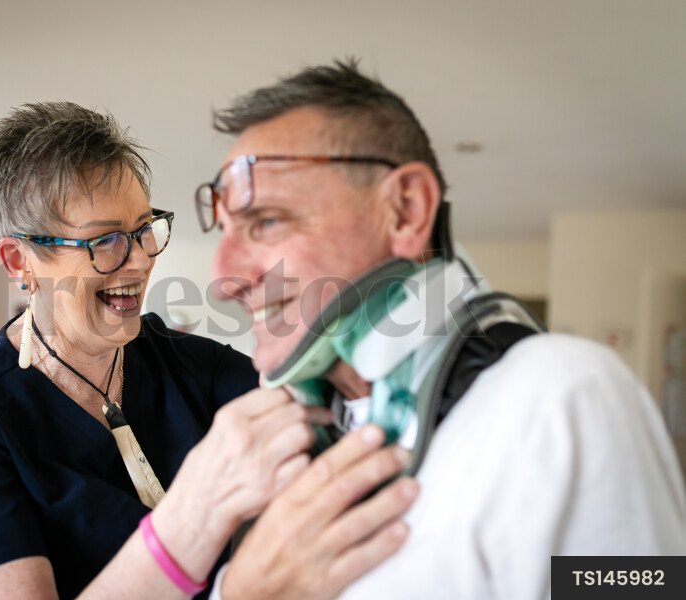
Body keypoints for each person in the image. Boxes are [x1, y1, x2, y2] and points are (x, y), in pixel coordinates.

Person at [197, 59, 686, 599]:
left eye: (265, 220)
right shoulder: (276, 462)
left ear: (406, 211)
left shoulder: (562, 395)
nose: (223, 279)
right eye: (223, 232)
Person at [0, 101, 417, 600]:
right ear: (20, 262)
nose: (139, 260)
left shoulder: (199, 367)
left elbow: (345, 410)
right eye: (106, 240)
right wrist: (208, 546)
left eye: (143, 229)